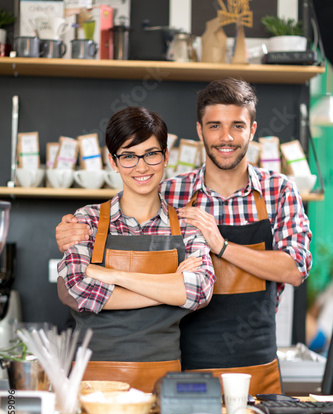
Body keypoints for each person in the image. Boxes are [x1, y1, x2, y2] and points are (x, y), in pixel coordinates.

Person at [56, 78, 312, 395]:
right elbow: (116, 232)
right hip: (183, 361)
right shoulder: (170, 192)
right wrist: (71, 232)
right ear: (200, 130)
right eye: (215, 125)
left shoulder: (279, 190)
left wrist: (222, 245)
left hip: (255, 363)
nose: (227, 136)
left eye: (238, 125)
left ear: (253, 129)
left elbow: (295, 269)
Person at [57, 106, 215, 392]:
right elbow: (78, 290)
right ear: (113, 162)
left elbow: (199, 291)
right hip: (91, 380)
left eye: (151, 154)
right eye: (128, 156)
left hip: (164, 381)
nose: (141, 167)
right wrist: (170, 290)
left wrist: (114, 276)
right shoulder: (87, 221)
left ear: (166, 157)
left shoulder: (188, 226)